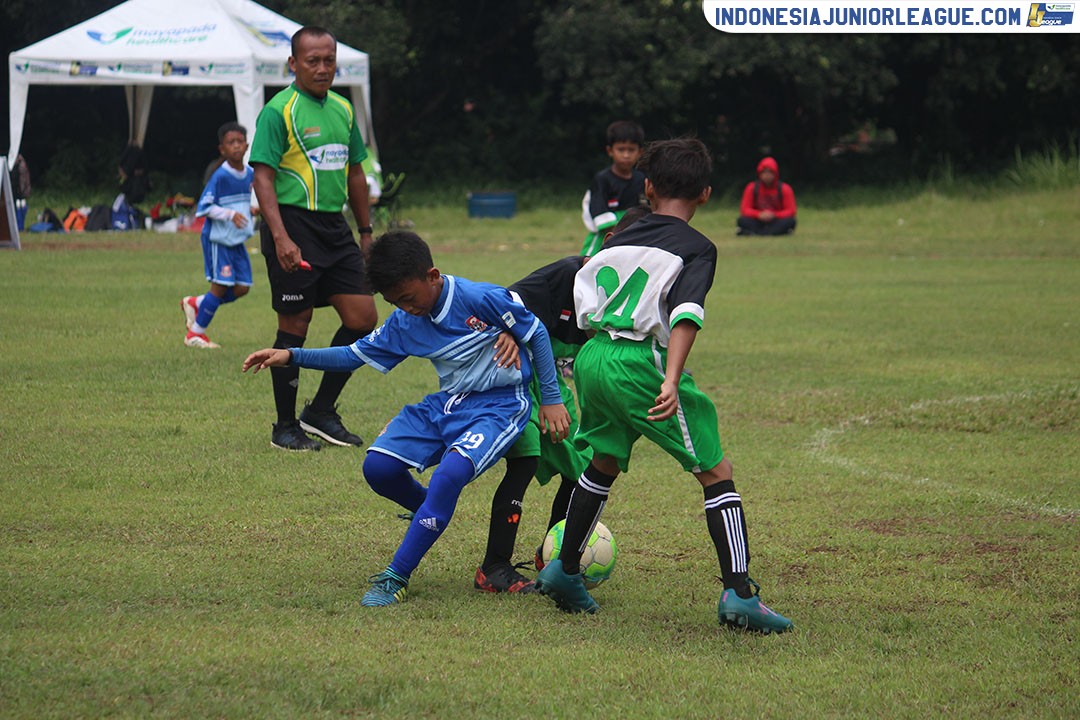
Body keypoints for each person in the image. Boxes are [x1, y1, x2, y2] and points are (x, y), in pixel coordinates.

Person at [536, 138, 794, 634]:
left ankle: (564, 571)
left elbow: (585, 293)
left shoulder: (618, 237)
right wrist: (671, 379)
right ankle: (740, 596)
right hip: (640, 363)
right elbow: (685, 316)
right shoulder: (697, 247)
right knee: (716, 470)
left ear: (647, 187)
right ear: (706, 194)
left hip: (593, 357)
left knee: (604, 460)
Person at [242, 232, 570, 607]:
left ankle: (395, 577)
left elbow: (538, 333)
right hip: (447, 404)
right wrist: (290, 355)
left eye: (409, 298)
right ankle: (429, 511)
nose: (406, 308)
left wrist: (552, 400)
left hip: (500, 406)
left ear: (432, 275)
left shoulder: (479, 298)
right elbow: (352, 355)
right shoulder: (403, 322)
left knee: (449, 474)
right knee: (378, 468)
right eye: (395, 302)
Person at [474, 206, 650, 595]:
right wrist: (509, 329)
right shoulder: (568, 274)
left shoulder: (629, 293)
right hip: (513, 375)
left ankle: (554, 556)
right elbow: (509, 301)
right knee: (527, 457)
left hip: (552, 381)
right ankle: (494, 566)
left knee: (582, 464)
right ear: (607, 244)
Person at [249, 26, 379, 452]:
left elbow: (356, 173)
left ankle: (321, 410)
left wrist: (365, 232)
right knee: (295, 324)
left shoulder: (343, 109)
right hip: (292, 224)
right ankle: (285, 427)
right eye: (313, 61)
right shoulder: (278, 111)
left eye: (329, 60)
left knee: (363, 319)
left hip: (334, 227)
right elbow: (263, 178)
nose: (323, 68)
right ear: (293, 64)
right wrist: (281, 237)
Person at [180, 122, 256, 349]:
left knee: (242, 287)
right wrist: (229, 214)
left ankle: (197, 303)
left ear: (247, 145)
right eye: (230, 143)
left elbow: (241, 203)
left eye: (239, 142)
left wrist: (250, 210)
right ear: (222, 149)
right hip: (218, 240)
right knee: (220, 286)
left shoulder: (250, 174)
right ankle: (195, 334)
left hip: (237, 240)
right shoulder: (220, 176)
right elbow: (204, 208)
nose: (236, 146)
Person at [580, 120, 648, 256]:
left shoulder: (642, 180)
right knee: (587, 267)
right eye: (621, 149)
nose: (626, 155)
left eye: (631, 150)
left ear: (640, 152)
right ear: (610, 151)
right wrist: (622, 233)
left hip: (634, 238)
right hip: (604, 237)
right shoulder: (602, 179)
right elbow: (600, 215)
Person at [736, 156, 797, 236]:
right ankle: (772, 232)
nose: (767, 175)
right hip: (758, 219)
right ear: (759, 174)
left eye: (770, 172)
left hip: (776, 219)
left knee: (790, 221)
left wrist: (774, 215)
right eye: (764, 172)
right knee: (742, 220)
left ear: (775, 173)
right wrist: (759, 214)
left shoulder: (785, 189)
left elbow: (791, 210)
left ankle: (756, 232)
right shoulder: (752, 188)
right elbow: (745, 209)